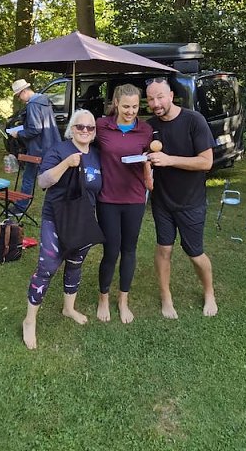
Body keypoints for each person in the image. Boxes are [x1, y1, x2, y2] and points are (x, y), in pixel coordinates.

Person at [22, 109, 102, 349]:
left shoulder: (97, 155)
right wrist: (66, 164)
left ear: (94, 132)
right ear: (71, 129)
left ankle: (69, 308)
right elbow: (43, 181)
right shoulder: (58, 150)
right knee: (47, 267)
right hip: (55, 218)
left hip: (83, 219)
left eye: (90, 127)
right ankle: (29, 320)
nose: (85, 131)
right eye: (80, 126)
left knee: (75, 263)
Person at [144, 77, 217, 318]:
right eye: (151, 99)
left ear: (171, 96)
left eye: (160, 97)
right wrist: (147, 173)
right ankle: (166, 297)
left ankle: (209, 293)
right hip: (162, 201)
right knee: (164, 249)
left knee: (194, 252)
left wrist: (169, 160)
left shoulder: (194, 120)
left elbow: (206, 162)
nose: (156, 103)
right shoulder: (150, 126)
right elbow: (145, 158)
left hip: (191, 201)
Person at [94, 84, 154, 323]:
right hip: (107, 199)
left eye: (135, 107)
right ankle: (103, 298)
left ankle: (123, 300)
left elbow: (151, 158)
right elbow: (82, 143)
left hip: (135, 199)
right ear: (116, 103)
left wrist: (148, 163)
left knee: (129, 250)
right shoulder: (101, 126)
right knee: (111, 250)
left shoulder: (145, 130)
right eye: (126, 106)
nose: (131, 112)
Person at [9, 78, 61, 212]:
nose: (20, 99)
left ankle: (20, 208)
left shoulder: (32, 105)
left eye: (18, 95)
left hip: (37, 148)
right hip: (51, 145)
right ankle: (60, 206)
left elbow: (35, 129)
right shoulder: (44, 101)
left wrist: (18, 133)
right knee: (54, 178)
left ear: (24, 91)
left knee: (28, 178)